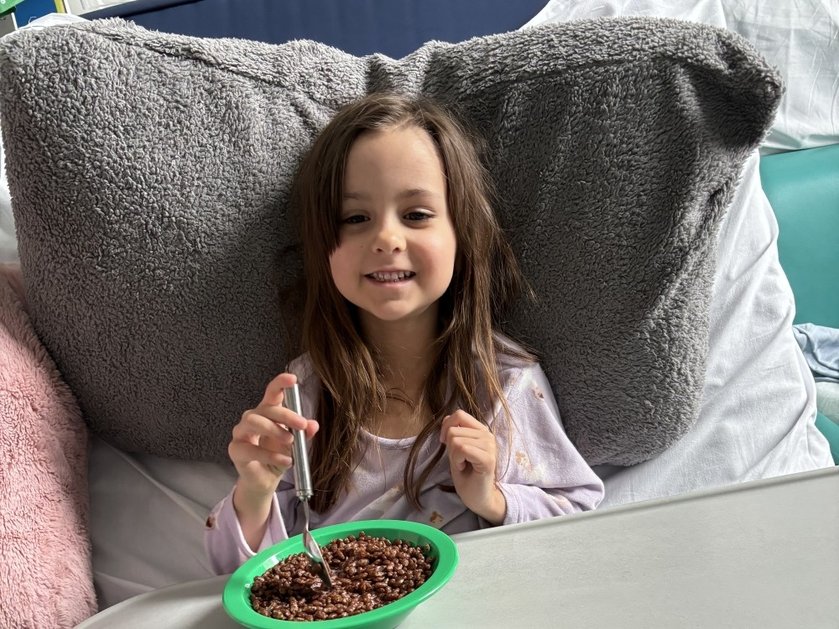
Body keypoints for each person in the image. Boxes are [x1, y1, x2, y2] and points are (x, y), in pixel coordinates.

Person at [205, 93, 604, 574]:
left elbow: (578, 522)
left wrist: (493, 498)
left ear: (462, 232)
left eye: (416, 215)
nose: (386, 239)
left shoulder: (505, 382)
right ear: (322, 247)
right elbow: (239, 574)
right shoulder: (305, 392)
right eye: (355, 219)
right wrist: (254, 491)